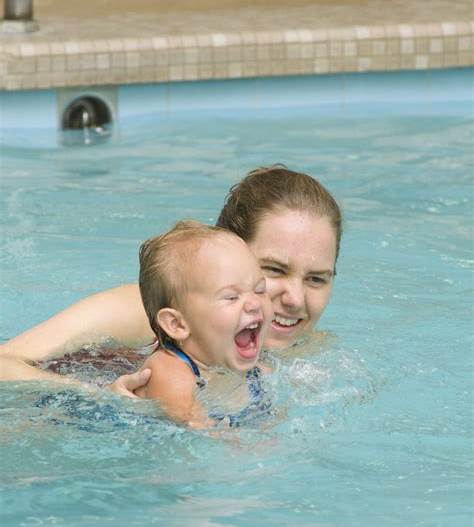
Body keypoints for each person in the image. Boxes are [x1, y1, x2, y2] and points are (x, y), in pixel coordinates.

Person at [0, 165, 342, 392]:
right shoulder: (146, 312)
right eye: (274, 270)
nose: (295, 299)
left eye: (316, 279)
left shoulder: (307, 351)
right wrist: (98, 395)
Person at [133, 219, 272, 427]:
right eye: (231, 297)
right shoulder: (169, 372)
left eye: (260, 290)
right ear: (177, 324)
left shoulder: (259, 373)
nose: (254, 303)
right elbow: (195, 427)